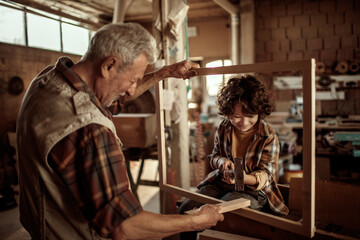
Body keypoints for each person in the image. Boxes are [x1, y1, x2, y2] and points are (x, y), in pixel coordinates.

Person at [16, 22, 223, 240]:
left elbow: (114, 98)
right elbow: (124, 226)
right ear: (108, 66)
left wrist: (162, 74)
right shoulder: (89, 127)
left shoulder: (49, 81)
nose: (133, 89)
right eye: (132, 79)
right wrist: (196, 220)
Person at [178, 75, 289, 240]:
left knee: (223, 211)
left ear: (259, 111)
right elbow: (214, 156)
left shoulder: (268, 136)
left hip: (254, 191)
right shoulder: (224, 128)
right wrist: (221, 161)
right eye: (237, 116)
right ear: (228, 112)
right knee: (186, 210)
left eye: (250, 116)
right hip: (221, 184)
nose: (243, 122)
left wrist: (244, 178)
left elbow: (267, 175)